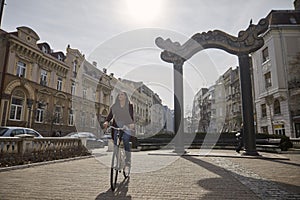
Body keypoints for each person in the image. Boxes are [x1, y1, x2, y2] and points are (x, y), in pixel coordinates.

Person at [103, 91, 134, 166]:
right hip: (116, 126)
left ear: (125, 97)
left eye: (122, 94)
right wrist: (106, 121)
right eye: (119, 94)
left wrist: (131, 124)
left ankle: (128, 160)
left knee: (126, 140)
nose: (120, 96)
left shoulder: (129, 106)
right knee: (115, 144)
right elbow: (110, 115)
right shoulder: (115, 106)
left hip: (126, 125)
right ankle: (118, 161)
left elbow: (131, 116)